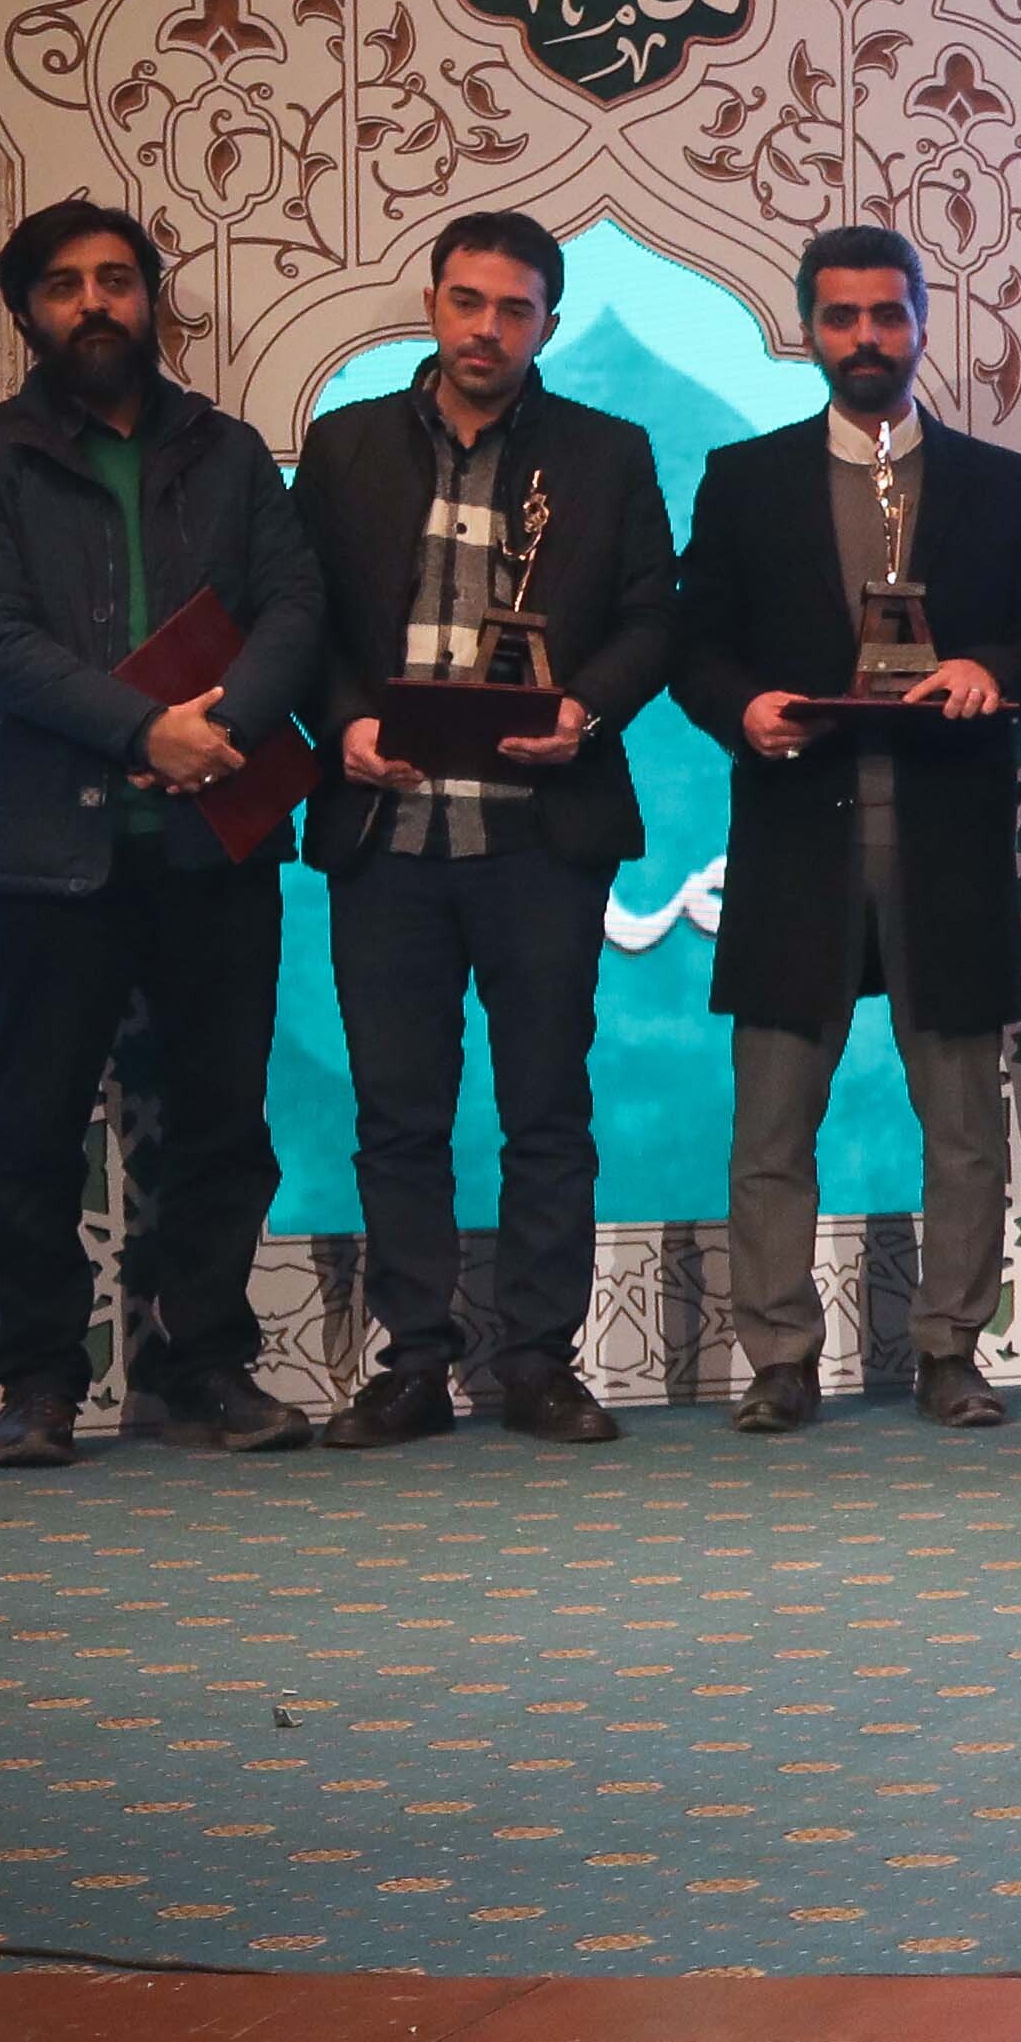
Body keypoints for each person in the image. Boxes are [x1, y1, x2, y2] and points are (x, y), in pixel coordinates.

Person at [0, 198, 328, 1466]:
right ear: (26, 312)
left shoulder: (229, 450)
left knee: (223, 1122)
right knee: (32, 1124)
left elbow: (295, 606)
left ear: (152, 297)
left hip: (216, 840)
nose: (93, 303)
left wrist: (223, 728)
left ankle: (208, 1365)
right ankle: (39, 1380)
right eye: (64, 285)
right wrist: (145, 729)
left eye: (115, 279)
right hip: (51, 848)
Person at [674, 221, 1021, 1433]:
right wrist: (742, 707)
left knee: (962, 1127)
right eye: (842, 317)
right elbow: (694, 646)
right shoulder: (746, 479)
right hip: (797, 835)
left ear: (920, 324)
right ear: (809, 329)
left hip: (948, 838)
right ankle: (781, 1359)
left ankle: (950, 1350)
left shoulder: (1000, 484)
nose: (866, 338)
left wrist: (993, 670)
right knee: (770, 1125)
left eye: (887, 315)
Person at [292, 207, 677, 1448]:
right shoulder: (345, 445)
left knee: (546, 1114)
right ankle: (413, 1362)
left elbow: (653, 618)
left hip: (538, 839)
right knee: (397, 1117)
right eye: (468, 301)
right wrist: (343, 726)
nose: (487, 328)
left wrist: (586, 709)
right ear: (432, 304)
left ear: (546, 325)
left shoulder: (607, 452)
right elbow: (298, 619)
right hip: (386, 834)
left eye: (515, 309)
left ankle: (538, 1363)